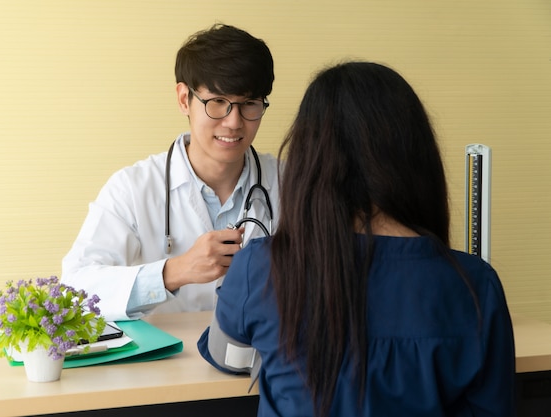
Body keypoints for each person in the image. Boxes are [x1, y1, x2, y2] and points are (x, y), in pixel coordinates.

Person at [198, 61, 515, 416]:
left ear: (309, 160)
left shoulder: (259, 265)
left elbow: (226, 355)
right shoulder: (475, 285)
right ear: (416, 156)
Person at [61, 24, 279, 320]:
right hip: (165, 363)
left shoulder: (290, 182)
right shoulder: (132, 187)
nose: (234, 122)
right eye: (217, 102)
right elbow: (75, 288)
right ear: (183, 99)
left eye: (249, 104)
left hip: (261, 361)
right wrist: (174, 271)